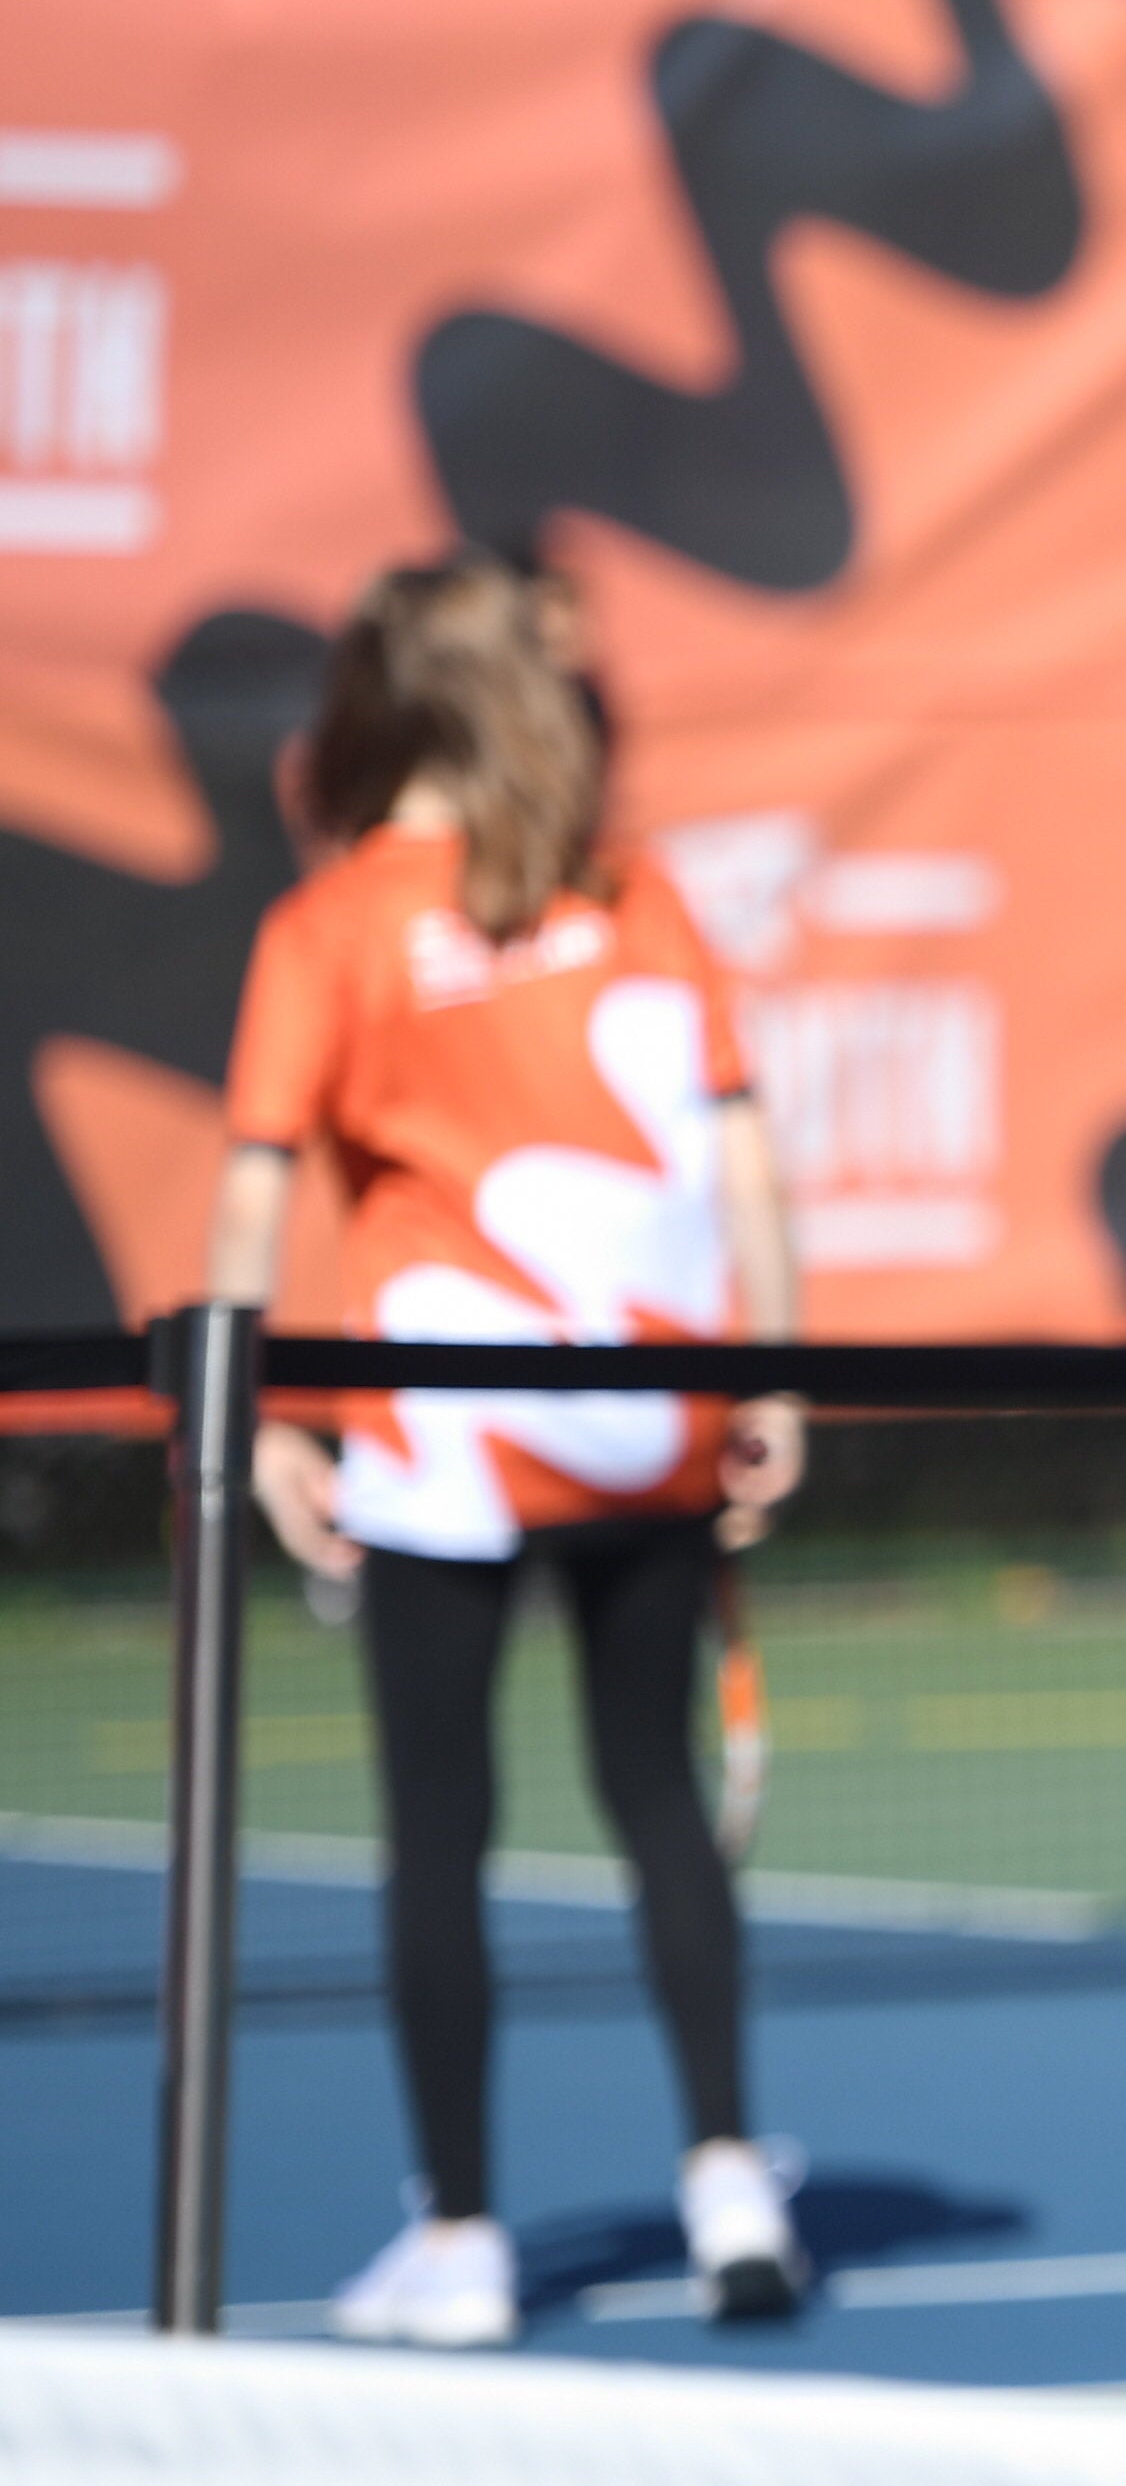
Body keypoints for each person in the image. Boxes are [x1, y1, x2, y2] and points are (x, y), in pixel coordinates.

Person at [211, 554, 809, 2347]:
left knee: (438, 1832)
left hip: (445, 1441)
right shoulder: (634, 893)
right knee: (655, 1793)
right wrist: (768, 1381)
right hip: (644, 1424)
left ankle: (463, 2238)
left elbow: (253, 1194)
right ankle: (724, 2178)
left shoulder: (325, 930)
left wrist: (256, 1424)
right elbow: (742, 1157)